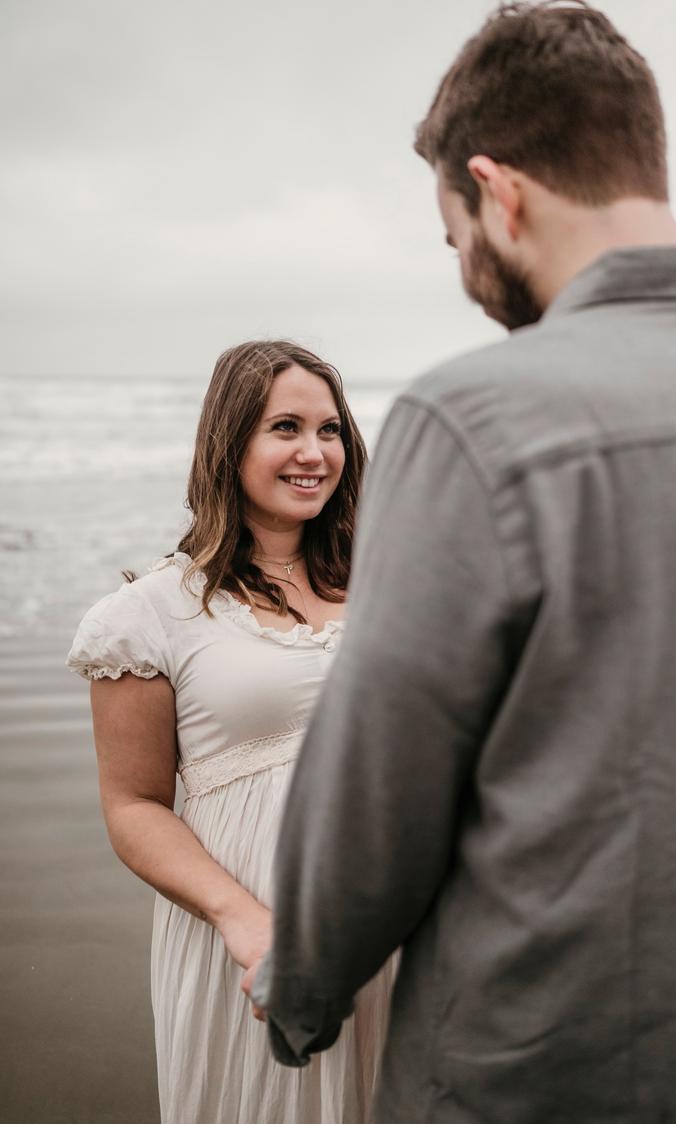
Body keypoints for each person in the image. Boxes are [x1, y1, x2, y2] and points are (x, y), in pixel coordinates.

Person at [246, 4, 676, 1123]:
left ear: (499, 191)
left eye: (454, 233)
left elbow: (376, 789)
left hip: (541, 1063)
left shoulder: (479, 420)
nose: (465, 266)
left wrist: (301, 992)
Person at [66, 340, 394, 1124]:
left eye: (331, 430)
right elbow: (135, 806)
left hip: (398, 924)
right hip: (248, 944)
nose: (315, 452)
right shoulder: (150, 613)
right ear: (231, 441)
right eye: (285, 427)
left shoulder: (396, 583)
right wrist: (246, 925)